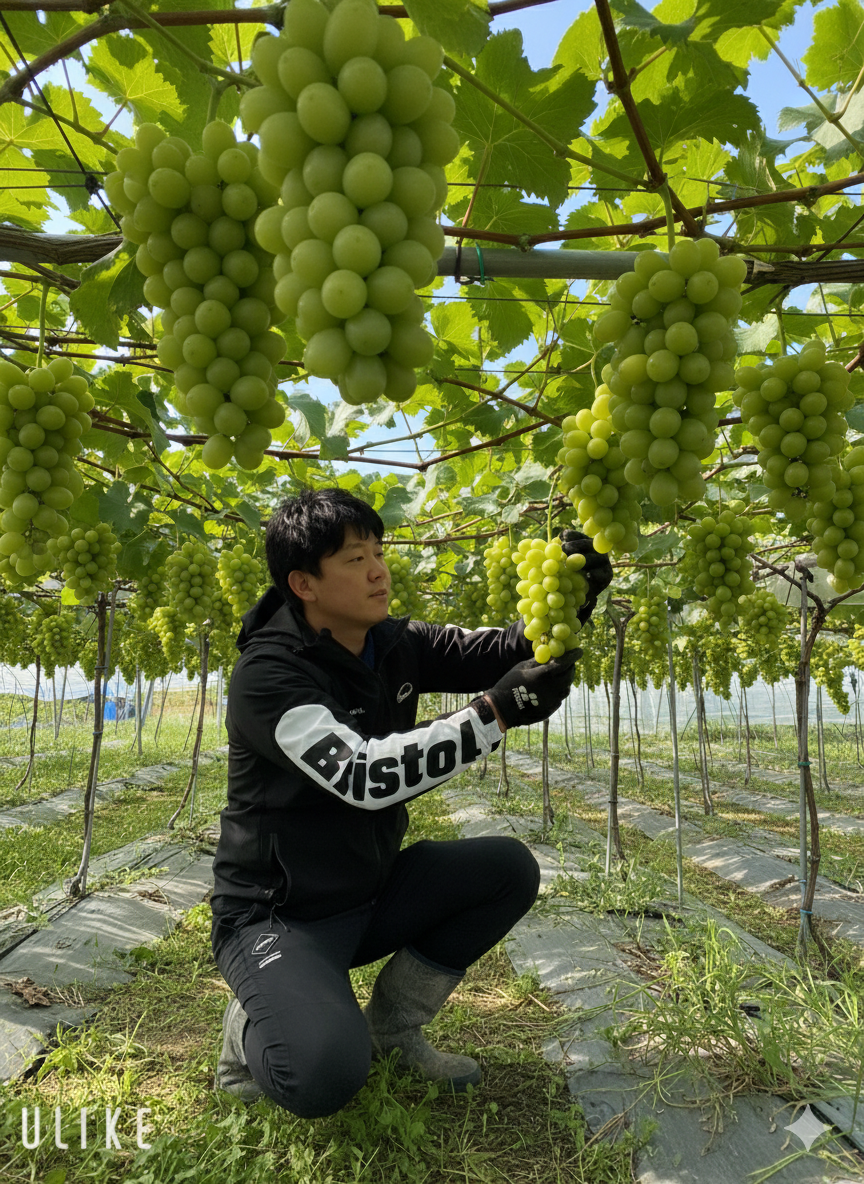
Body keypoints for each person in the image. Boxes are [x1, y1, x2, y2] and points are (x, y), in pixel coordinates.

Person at [211, 488, 613, 1117]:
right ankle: (250, 1026)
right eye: (353, 559)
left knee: (506, 870)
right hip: (278, 917)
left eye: (379, 552)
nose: (378, 570)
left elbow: (505, 650)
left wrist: (575, 595)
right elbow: (363, 778)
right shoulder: (268, 675)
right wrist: (496, 712)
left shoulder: (393, 643)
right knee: (323, 1074)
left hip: (368, 894)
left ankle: (394, 1030)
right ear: (304, 583)